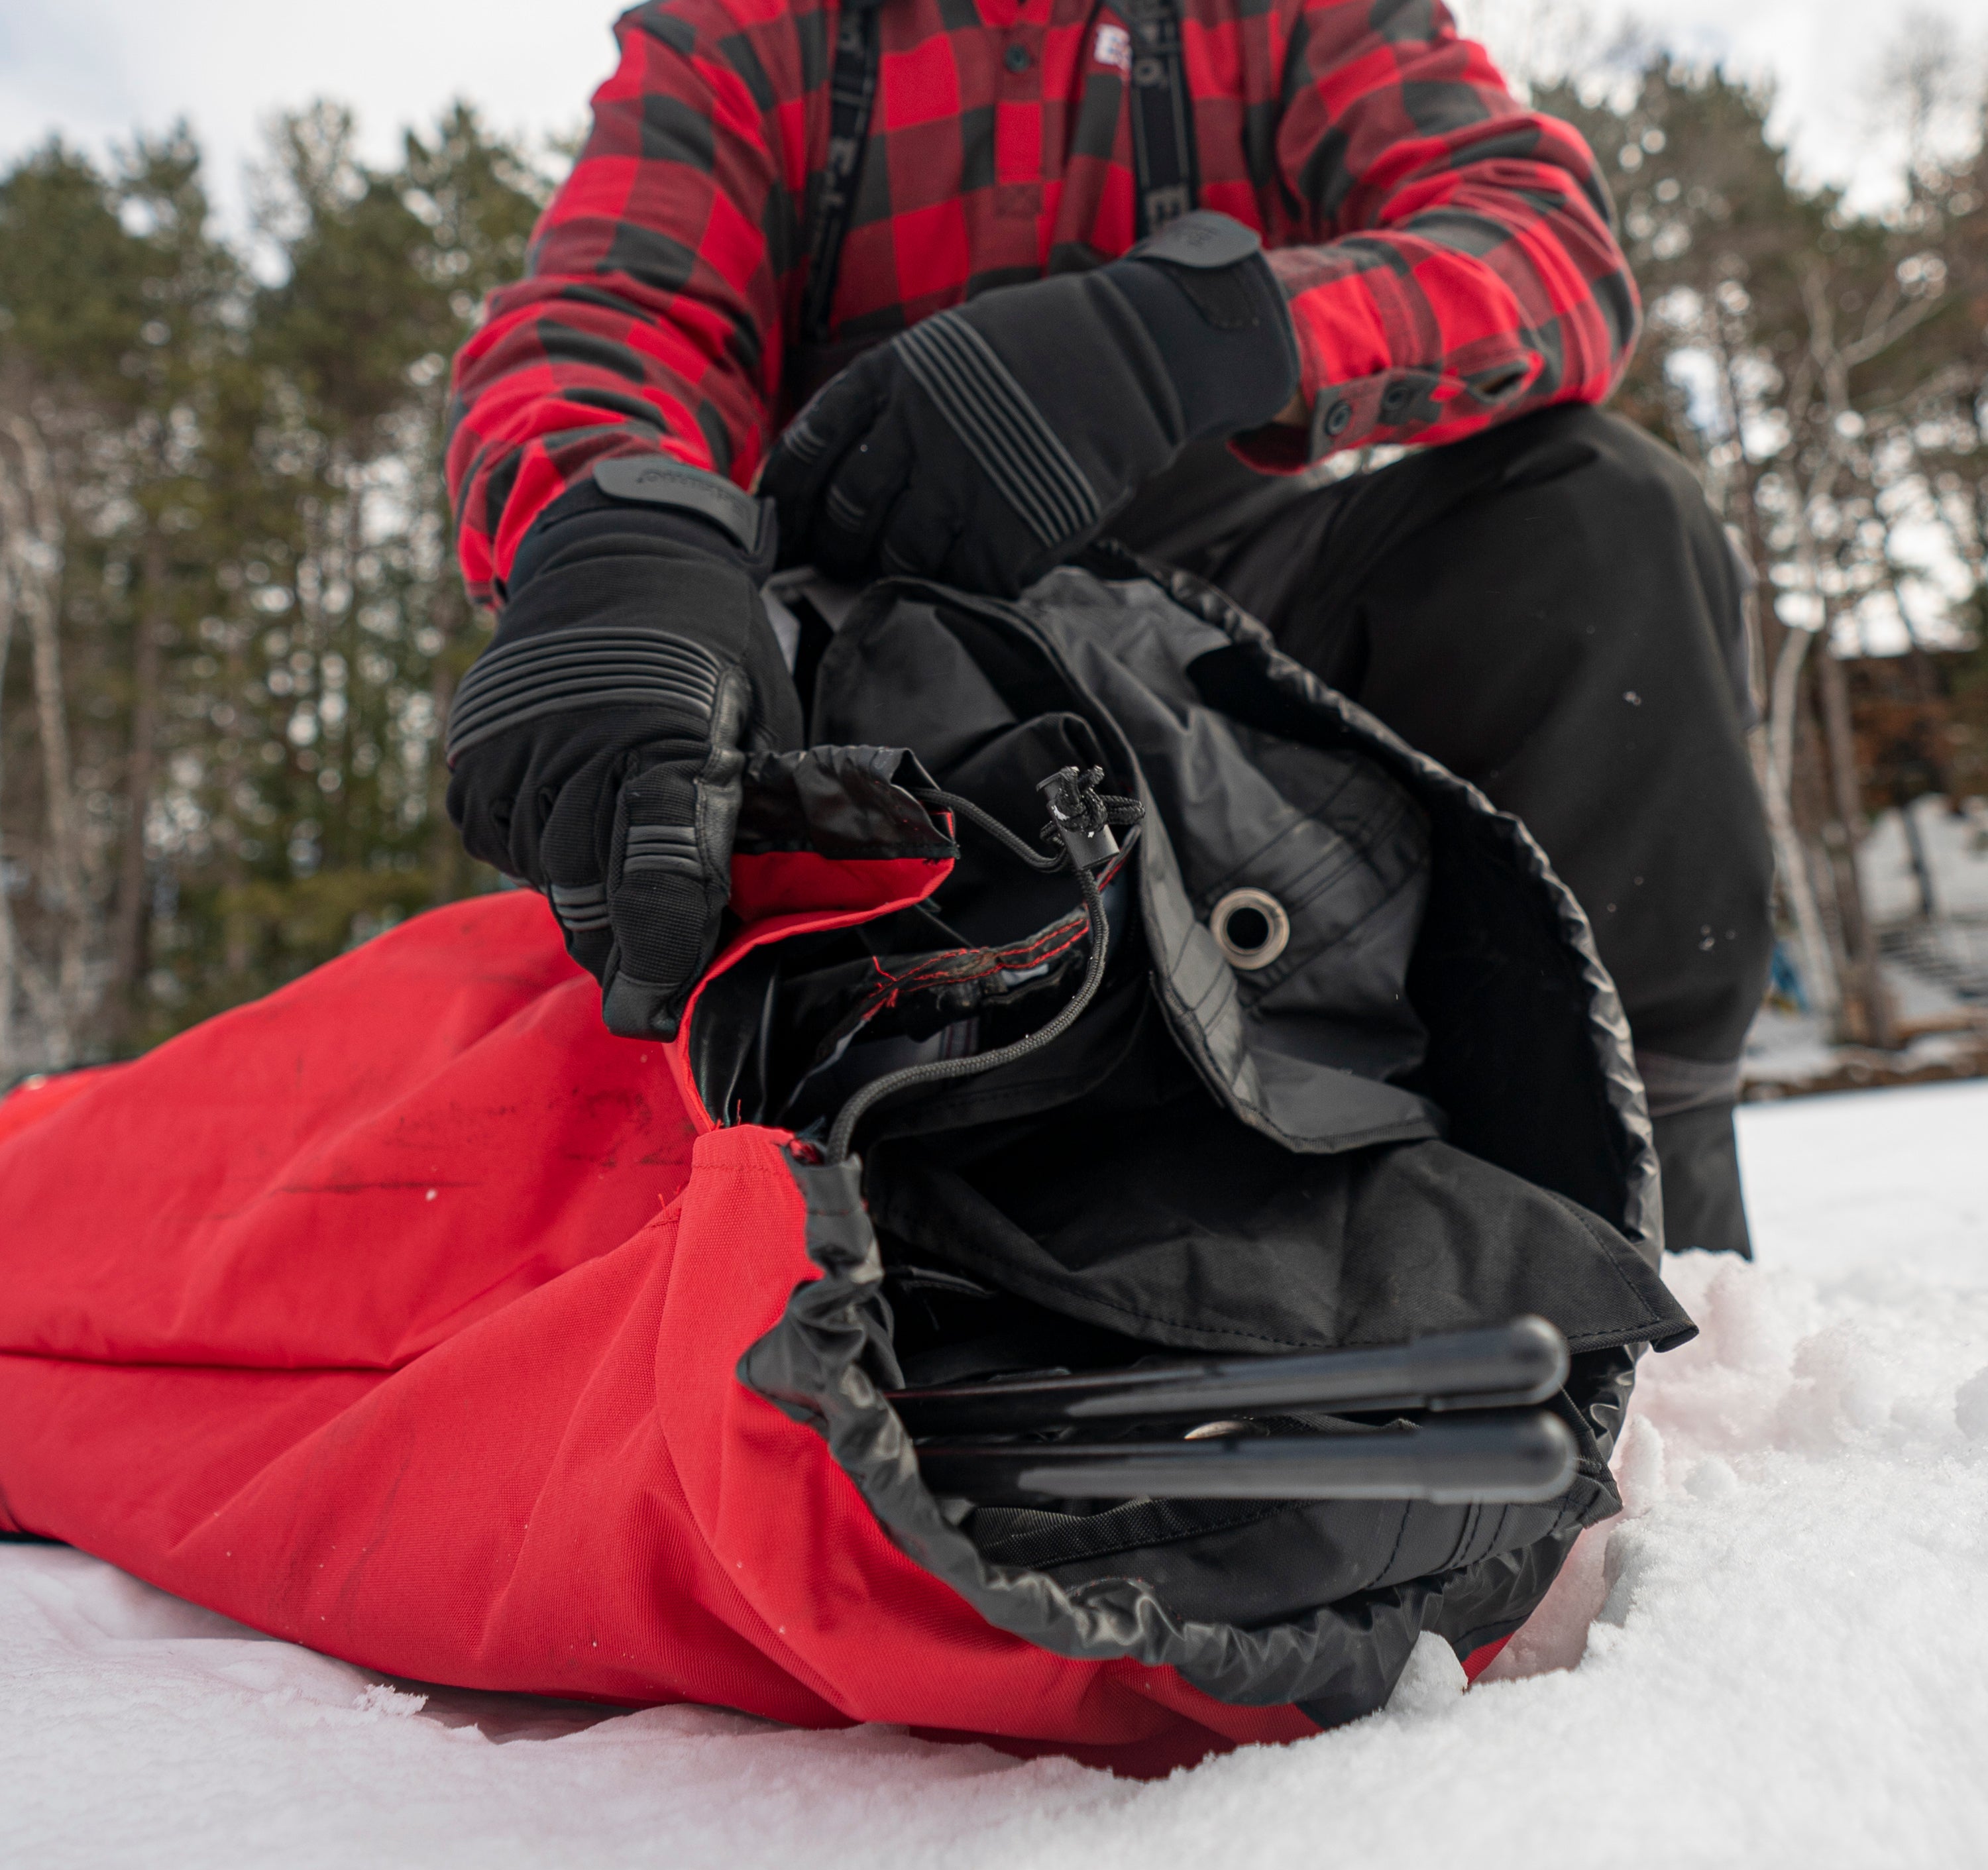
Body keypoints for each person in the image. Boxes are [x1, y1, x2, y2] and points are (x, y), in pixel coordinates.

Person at [441, 0, 1773, 1252]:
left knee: (1600, 516)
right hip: (881, 646)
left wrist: (1192, 336)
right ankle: (815, 1226)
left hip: (1238, 606)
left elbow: (1543, 246)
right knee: (680, 737)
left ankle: (1639, 1223)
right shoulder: (748, 33)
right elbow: (611, 318)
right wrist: (615, 532)